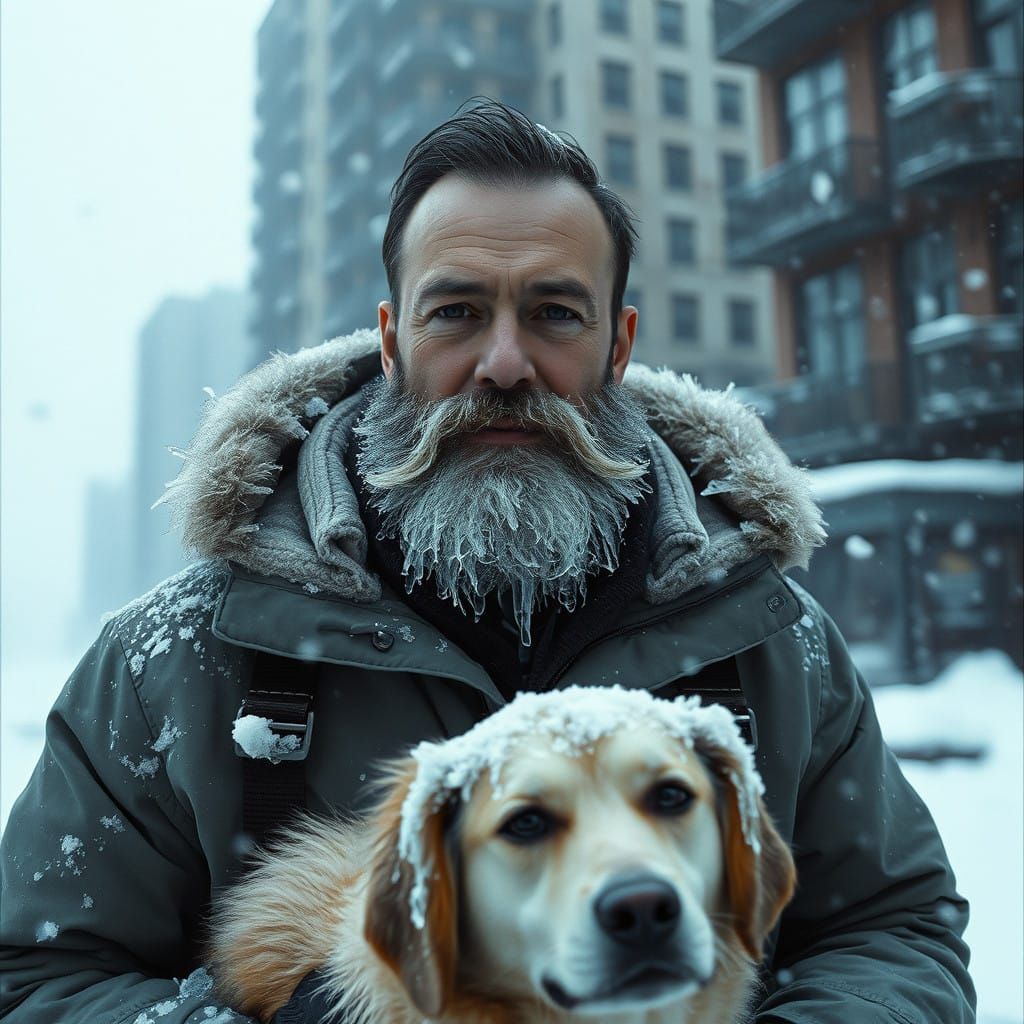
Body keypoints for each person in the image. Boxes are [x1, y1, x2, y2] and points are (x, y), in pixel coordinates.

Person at [0, 101, 974, 1023]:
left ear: (618, 346)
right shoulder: (171, 660)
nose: (503, 363)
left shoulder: (771, 636)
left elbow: (890, 928)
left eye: (553, 313)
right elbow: (35, 976)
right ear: (391, 341)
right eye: (456, 312)